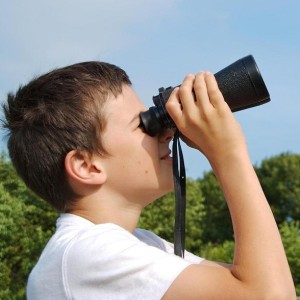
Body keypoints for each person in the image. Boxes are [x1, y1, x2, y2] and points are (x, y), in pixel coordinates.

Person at [2, 61, 295, 299]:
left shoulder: (139, 245)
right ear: (86, 166)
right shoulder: (85, 255)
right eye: (143, 124)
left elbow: (259, 280)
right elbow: (268, 294)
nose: (166, 132)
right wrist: (228, 153)